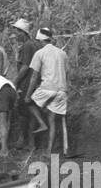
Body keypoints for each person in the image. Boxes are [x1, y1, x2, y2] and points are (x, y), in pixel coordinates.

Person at [27, 27, 70, 155]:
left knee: (28, 103)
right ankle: (48, 151)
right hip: (62, 90)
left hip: (47, 89)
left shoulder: (39, 53)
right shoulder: (62, 53)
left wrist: (28, 95)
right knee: (52, 119)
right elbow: (67, 73)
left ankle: (41, 123)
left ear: (40, 41)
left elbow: (34, 77)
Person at [9, 18, 47, 149]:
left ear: (23, 32)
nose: (15, 34)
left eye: (17, 31)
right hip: (35, 82)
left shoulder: (27, 46)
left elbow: (25, 67)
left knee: (24, 113)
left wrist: (15, 81)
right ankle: (30, 143)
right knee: (29, 113)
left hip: (27, 83)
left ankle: (26, 141)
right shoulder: (34, 44)